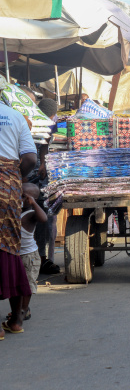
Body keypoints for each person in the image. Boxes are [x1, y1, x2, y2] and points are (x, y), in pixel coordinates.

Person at [0, 98, 37, 337]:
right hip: (9, 188)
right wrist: (14, 176)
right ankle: (15, 321)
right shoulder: (15, 116)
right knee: (11, 247)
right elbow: (31, 159)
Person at [32, 98, 60, 275]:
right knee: (45, 217)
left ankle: (43, 258)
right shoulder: (44, 123)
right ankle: (43, 258)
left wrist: (43, 162)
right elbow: (44, 145)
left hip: (35, 174)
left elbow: (44, 145)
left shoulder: (37, 122)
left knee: (44, 217)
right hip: (35, 177)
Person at [12, 183, 47, 322]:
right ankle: (18, 309)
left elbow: (44, 218)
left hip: (29, 257)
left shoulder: (31, 213)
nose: (18, 198)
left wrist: (33, 204)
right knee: (17, 284)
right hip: (15, 255)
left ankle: (24, 309)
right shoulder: (14, 211)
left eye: (22, 196)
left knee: (27, 284)